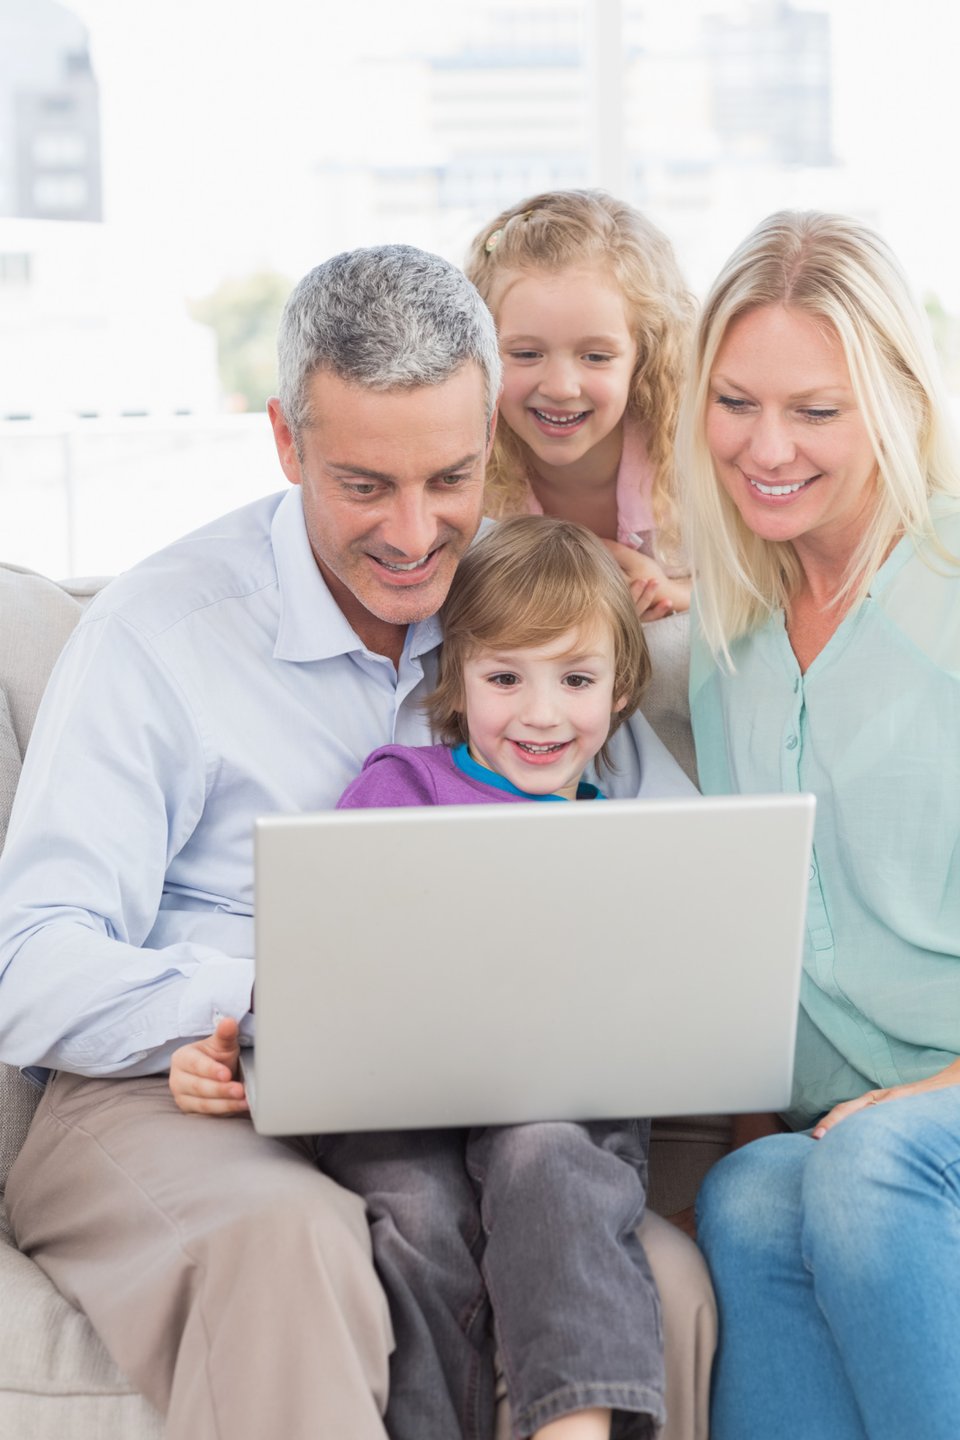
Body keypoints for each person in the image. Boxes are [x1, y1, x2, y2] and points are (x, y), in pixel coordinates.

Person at [0, 244, 707, 1440]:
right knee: (298, 1249)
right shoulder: (163, 635)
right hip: (183, 1084)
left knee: (668, 1289)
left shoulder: (523, 619)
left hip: (472, 1095)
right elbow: (33, 959)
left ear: (491, 434)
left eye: (451, 478)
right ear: (286, 442)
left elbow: (675, 870)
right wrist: (282, 1005)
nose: (417, 533)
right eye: (364, 485)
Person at [171, 515, 664, 1440]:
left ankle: (578, 1426)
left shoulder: (626, 837)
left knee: (548, 1157)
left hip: (554, 1096)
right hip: (397, 1100)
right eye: (505, 677)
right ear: (458, 678)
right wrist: (245, 1056)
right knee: (415, 1210)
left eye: (577, 679)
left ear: (621, 687)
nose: (542, 712)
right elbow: (319, 955)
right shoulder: (401, 785)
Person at [683, 210, 960, 1440]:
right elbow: (754, 928)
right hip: (842, 1114)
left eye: (817, 410)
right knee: (747, 1193)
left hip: (928, 1113)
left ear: (900, 399)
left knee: (863, 1170)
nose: (768, 447)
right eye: (736, 402)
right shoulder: (728, 628)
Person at [464, 189, 696, 622]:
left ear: (643, 357)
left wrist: (674, 592)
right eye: (527, 354)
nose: (560, 387)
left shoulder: (693, 463)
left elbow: (771, 587)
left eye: (596, 357)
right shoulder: (466, 481)